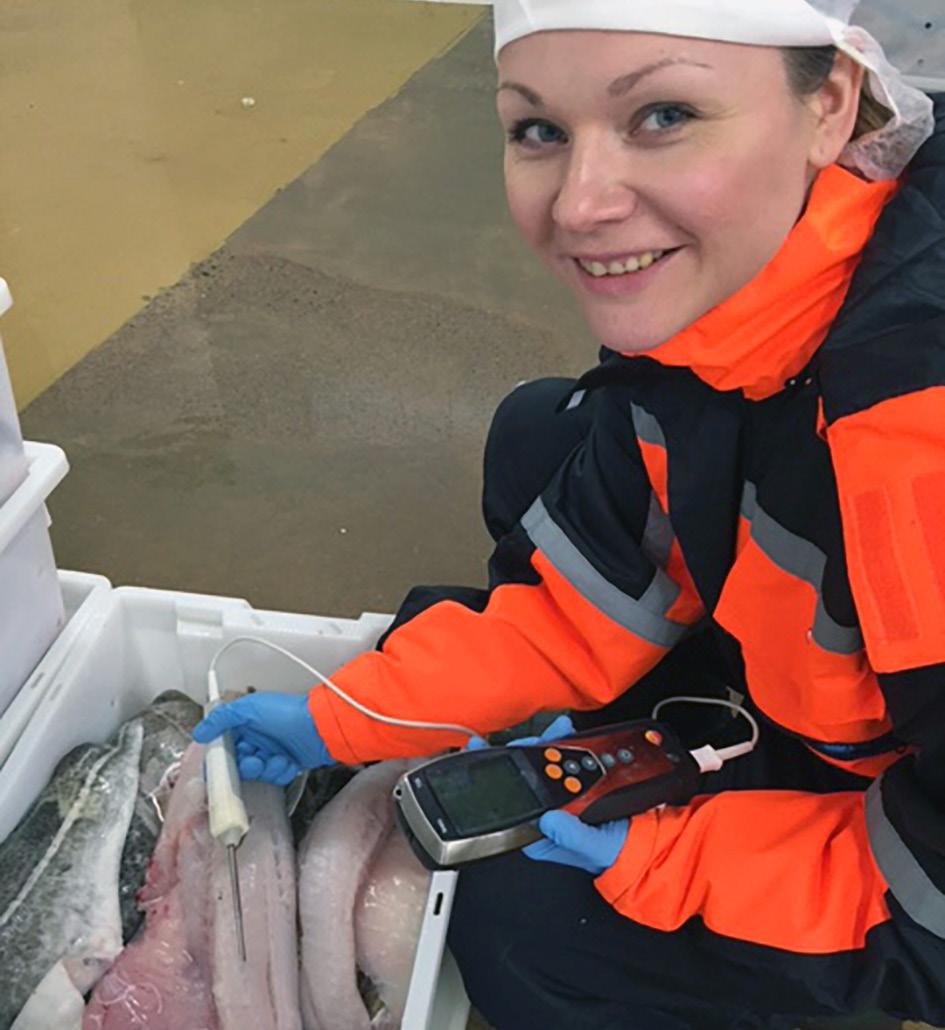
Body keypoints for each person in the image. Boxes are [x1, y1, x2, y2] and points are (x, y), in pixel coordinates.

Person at [194, 2, 945, 1026]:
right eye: (538, 129)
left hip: (905, 817)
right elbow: (579, 600)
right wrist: (342, 714)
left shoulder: (918, 451)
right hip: (828, 673)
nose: (580, 204)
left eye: (665, 114)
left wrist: (668, 858)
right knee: (541, 434)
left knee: (530, 928)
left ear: (831, 105)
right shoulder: (739, 307)